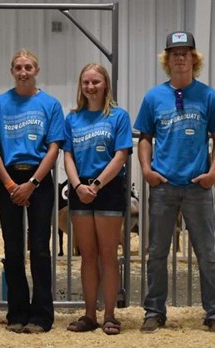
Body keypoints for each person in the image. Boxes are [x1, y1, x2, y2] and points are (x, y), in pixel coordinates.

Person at [134, 31, 215, 333]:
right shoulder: (154, 97)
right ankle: (154, 311)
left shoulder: (208, 96)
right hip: (163, 185)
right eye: (174, 53)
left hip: (198, 185)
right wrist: (146, 169)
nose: (180, 58)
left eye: (185, 52)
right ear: (166, 60)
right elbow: (144, 136)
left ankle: (213, 311)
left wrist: (213, 173)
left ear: (195, 58)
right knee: (156, 252)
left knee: (207, 252)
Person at [0, 49, 64, 334]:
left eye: (28, 67)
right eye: (18, 67)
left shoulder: (50, 104)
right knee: (12, 247)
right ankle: (16, 312)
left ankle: (42, 314)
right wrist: (9, 183)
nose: (23, 72)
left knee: (41, 248)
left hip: (39, 180)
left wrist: (32, 183)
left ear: (37, 70)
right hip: (7, 178)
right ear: (12, 71)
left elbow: (54, 147)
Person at [63, 63, 132, 335]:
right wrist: (78, 185)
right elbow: (67, 155)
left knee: (108, 254)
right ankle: (90, 314)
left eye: (96, 82)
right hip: (80, 191)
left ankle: (111, 314)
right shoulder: (73, 119)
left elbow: (121, 154)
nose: (91, 87)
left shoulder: (118, 116)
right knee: (87, 255)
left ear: (106, 85)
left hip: (108, 189)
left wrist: (98, 184)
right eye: (86, 83)